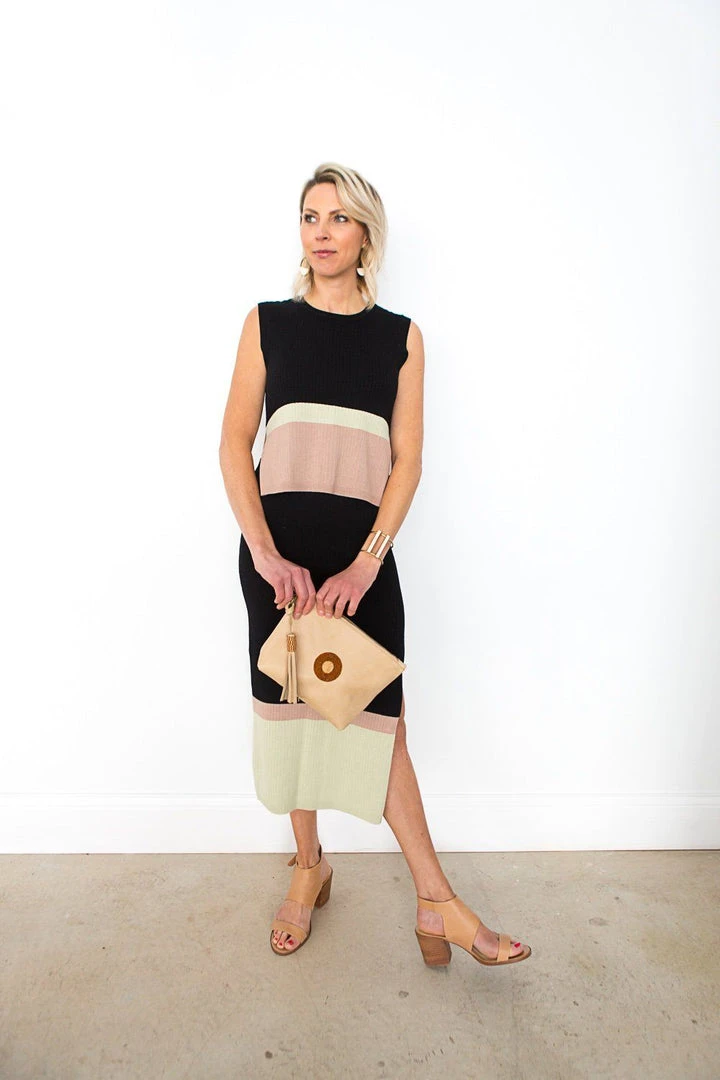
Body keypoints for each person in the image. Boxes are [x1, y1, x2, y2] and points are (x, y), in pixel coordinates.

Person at [219, 162, 531, 968]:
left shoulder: (401, 338)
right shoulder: (266, 324)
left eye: (338, 217)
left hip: (358, 566)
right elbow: (233, 444)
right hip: (279, 562)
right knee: (293, 711)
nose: (320, 231)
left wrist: (366, 565)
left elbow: (407, 462)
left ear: (366, 235)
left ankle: (435, 900)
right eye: (309, 216)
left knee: (379, 722)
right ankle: (310, 869)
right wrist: (264, 553)